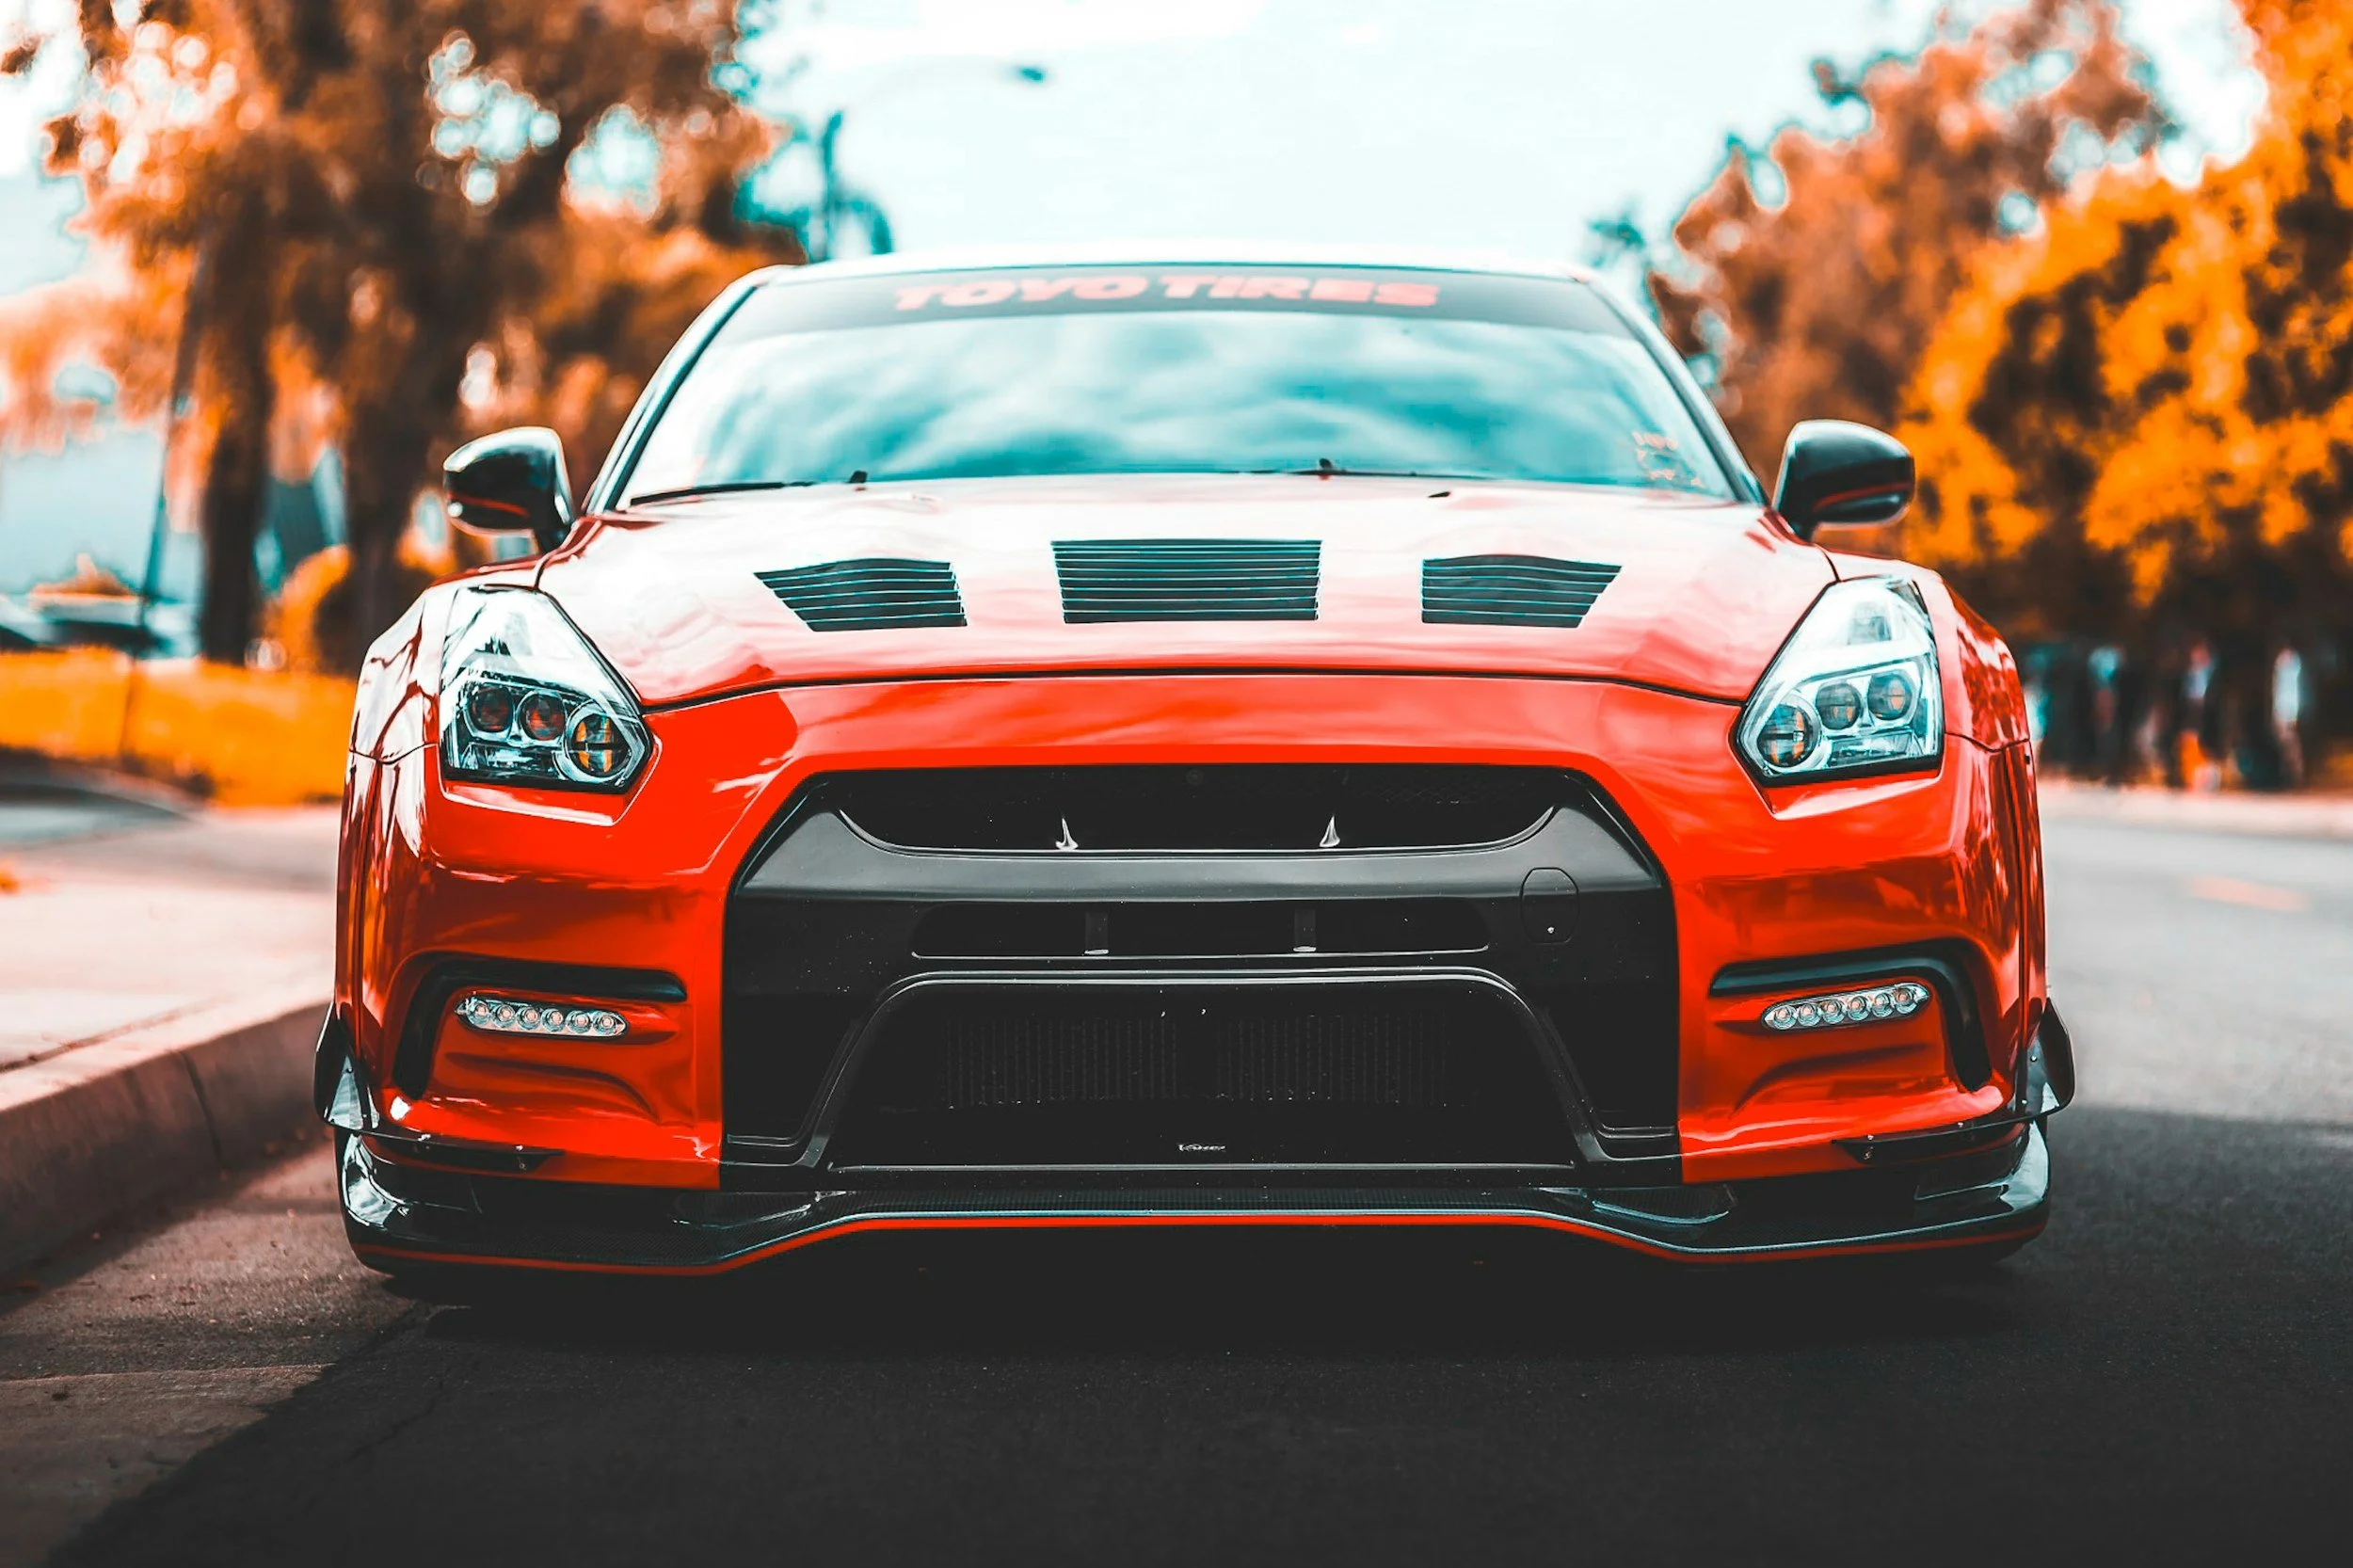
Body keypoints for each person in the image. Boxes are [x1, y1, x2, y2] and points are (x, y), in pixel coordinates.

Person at [2273, 645, 2307, 790]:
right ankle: (2291, 773)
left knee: (2290, 743)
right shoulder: (2284, 664)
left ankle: (2295, 773)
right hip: (2283, 709)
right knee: (2286, 743)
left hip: (2288, 709)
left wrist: (2293, 711)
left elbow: (2292, 689)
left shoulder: (2292, 664)